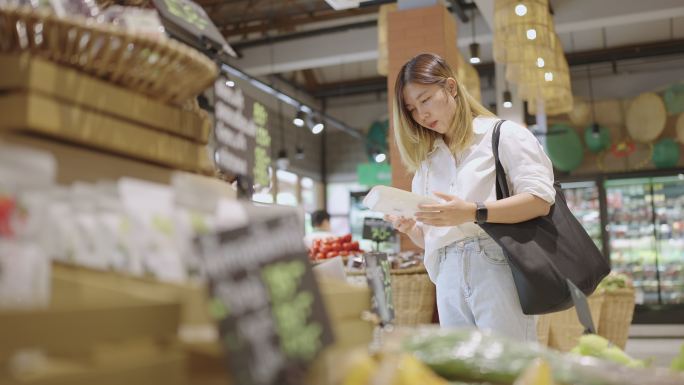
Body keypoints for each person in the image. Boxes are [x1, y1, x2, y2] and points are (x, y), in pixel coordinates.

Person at [385, 53, 555, 343]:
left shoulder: (503, 135)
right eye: (412, 109)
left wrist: (474, 212)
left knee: (508, 368)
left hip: (496, 262)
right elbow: (433, 237)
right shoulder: (427, 164)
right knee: (465, 371)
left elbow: (539, 200)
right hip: (447, 274)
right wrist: (412, 228)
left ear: (451, 87)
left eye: (425, 100)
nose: (421, 115)